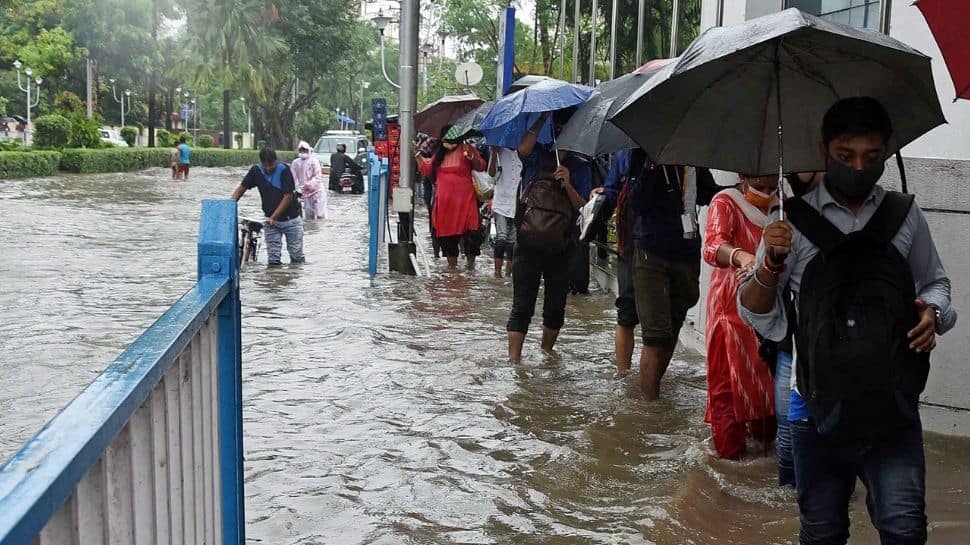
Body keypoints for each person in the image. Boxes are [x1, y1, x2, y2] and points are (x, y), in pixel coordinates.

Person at [739, 97, 957, 545]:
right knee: (821, 533)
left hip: (893, 406)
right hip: (814, 411)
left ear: (886, 151)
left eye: (871, 157)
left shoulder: (904, 214)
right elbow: (759, 314)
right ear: (823, 150)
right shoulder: (790, 224)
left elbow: (936, 283)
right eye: (845, 156)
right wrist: (770, 264)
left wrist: (933, 314)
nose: (858, 167)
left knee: (904, 528)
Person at [702, 174, 778, 460]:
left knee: (768, 389)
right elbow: (712, 246)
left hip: (769, 313)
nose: (766, 192)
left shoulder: (784, 207)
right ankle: (728, 462)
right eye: (760, 185)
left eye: (772, 187)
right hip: (729, 311)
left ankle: (761, 460)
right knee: (726, 390)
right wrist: (740, 256)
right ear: (743, 177)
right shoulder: (726, 203)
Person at [630, 162, 718, 400]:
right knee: (655, 336)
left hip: (686, 252)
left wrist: (741, 190)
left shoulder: (695, 163)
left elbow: (710, 194)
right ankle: (649, 410)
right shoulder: (645, 156)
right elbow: (635, 203)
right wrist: (650, 168)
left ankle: (654, 387)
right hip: (652, 252)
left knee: (671, 328)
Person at [506, 147, 586, 362]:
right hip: (527, 243)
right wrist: (540, 120)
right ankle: (514, 362)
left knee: (555, 306)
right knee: (522, 305)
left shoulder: (581, 166)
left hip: (562, 247)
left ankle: (547, 354)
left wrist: (567, 184)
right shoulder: (535, 156)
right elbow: (522, 149)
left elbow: (584, 208)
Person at [592, 147, 648, 375]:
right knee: (626, 310)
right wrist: (603, 193)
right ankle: (624, 374)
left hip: (665, 246)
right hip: (630, 245)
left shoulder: (678, 153)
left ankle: (649, 374)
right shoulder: (625, 155)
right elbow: (614, 191)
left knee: (659, 320)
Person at [416, 126, 486, 270]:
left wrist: (471, 156)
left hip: (465, 201)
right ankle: (453, 274)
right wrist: (417, 153)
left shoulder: (467, 149)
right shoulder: (439, 155)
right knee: (448, 241)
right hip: (446, 205)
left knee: (472, 235)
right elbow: (426, 168)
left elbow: (481, 166)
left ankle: (470, 268)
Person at [231, 147, 305, 265]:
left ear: (275, 161)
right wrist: (229, 206)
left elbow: (288, 197)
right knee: (273, 259)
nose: (269, 168)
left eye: (271, 164)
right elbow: (241, 189)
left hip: (291, 220)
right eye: (266, 165)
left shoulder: (284, 170)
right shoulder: (256, 171)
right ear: (261, 162)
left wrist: (274, 217)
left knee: (296, 256)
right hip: (271, 222)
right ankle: (275, 281)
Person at [488, 145, 522, 278]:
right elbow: (491, 176)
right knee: (501, 238)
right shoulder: (500, 150)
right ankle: (497, 274)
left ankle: (508, 273)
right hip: (501, 200)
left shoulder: (524, 152)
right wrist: (494, 154)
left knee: (512, 242)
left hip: (518, 202)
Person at [292, 140, 326, 220]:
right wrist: (295, 188)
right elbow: (293, 177)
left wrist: (309, 184)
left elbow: (318, 176)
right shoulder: (296, 163)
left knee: (320, 215)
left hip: (317, 191)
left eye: (304, 150)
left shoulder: (314, 161)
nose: (302, 152)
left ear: (309, 151)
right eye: (301, 150)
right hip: (305, 193)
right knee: (309, 216)